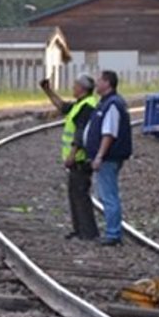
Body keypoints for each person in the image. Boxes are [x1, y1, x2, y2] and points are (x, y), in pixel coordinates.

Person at [40, 74, 99, 241]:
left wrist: (72, 154)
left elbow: (80, 134)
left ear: (82, 88)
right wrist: (48, 91)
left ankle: (87, 233)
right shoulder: (80, 105)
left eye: (75, 85)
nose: (73, 88)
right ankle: (80, 230)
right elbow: (62, 106)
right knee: (75, 194)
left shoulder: (87, 106)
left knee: (80, 195)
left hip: (80, 159)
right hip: (77, 160)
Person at [83, 70, 132, 246]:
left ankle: (113, 234)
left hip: (108, 158)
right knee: (106, 195)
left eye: (99, 80)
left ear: (107, 83)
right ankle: (112, 231)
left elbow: (109, 133)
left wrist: (99, 156)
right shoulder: (107, 103)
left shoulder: (112, 105)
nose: (96, 83)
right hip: (108, 157)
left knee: (109, 195)